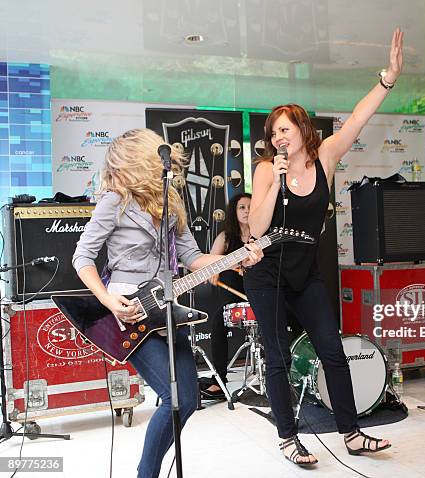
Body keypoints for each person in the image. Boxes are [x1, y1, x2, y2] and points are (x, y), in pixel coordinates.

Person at [244, 28, 403, 467]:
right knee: (276, 358)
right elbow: (256, 228)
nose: (278, 136)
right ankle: (288, 439)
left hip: (305, 271)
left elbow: (357, 119)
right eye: (272, 132)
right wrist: (275, 182)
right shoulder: (264, 171)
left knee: (332, 351)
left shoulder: (326, 158)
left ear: (301, 128)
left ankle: (351, 432)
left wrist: (387, 79)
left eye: (284, 128)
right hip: (267, 272)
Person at [72, 128, 262, 478]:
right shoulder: (115, 201)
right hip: (131, 314)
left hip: (167, 311)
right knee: (172, 398)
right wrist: (107, 298)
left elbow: (191, 257)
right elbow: (82, 257)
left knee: (188, 400)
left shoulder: (171, 200)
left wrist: (236, 258)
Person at [200, 192, 252, 399]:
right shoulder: (225, 237)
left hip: (259, 292)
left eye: (250, 206)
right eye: (242, 207)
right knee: (217, 323)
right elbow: (209, 263)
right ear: (234, 211)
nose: (247, 211)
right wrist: (220, 268)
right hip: (232, 296)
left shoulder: (261, 233)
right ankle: (219, 380)